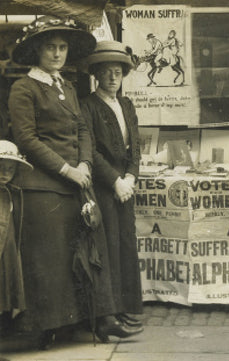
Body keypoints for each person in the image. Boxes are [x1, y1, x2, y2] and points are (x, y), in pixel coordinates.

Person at [7, 15, 120, 349]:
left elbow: (82, 129)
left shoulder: (67, 87)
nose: (57, 54)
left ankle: (94, 321)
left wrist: (84, 162)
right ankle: (48, 327)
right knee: (51, 259)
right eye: (50, 48)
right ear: (36, 52)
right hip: (44, 186)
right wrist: (66, 169)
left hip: (77, 182)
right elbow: (27, 140)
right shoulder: (23, 88)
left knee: (87, 252)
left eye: (62, 48)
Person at [80, 40, 144, 341]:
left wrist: (131, 176)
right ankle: (110, 311)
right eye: (106, 72)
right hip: (105, 187)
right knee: (108, 247)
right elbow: (91, 151)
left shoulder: (127, 105)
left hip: (125, 186)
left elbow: (136, 146)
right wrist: (115, 181)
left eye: (117, 72)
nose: (112, 77)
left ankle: (124, 307)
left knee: (125, 244)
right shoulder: (88, 106)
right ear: (96, 75)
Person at [0, 140, 32, 337]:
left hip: (7, 250)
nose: (5, 173)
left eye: (10, 169)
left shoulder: (12, 193)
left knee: (5, 294)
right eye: (1, 168)